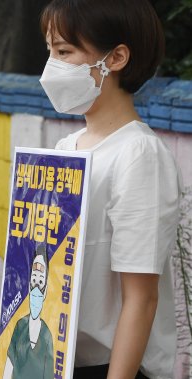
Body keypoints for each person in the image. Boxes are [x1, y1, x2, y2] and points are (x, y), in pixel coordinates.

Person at [40, 0, 181, 378]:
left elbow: (141, 297)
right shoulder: (65, 149)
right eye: (50, 51)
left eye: (64, 51)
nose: (51, 66)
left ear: (116, 58)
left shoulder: (139, 155)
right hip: (57, 360)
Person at [4, 244, 53, 379]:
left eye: (40, 282)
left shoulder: (47, 336)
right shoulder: (20, 326)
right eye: (34, 280)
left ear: (46, 291)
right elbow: (9, 365)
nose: (36, 287)